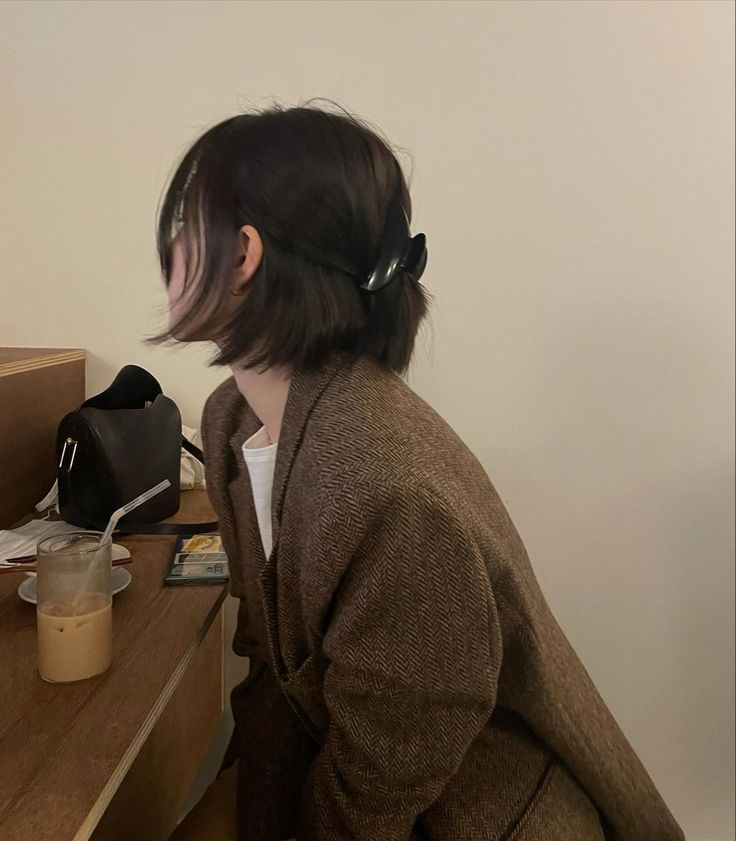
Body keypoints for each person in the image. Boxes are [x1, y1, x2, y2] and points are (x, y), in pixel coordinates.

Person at [159, 100, 684, 841]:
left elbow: (380, 782)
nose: (173, 248)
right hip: (365, 786)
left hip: (478, 819)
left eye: (188, 223)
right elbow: (273, 666)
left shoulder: (386, 488)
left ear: (243, 254)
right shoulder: (230, 421)